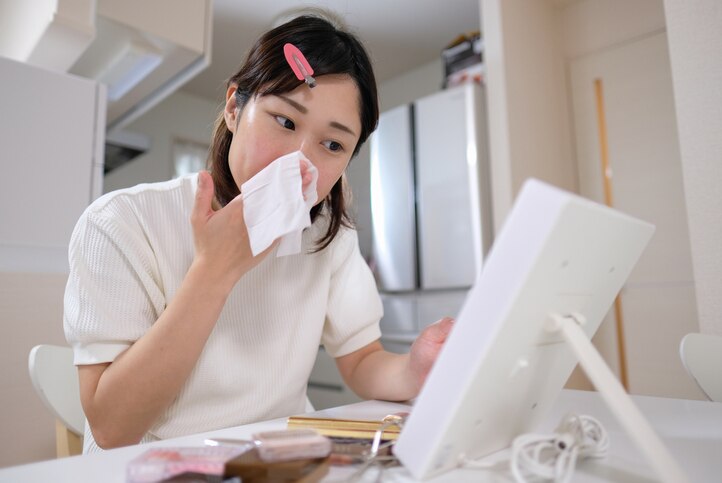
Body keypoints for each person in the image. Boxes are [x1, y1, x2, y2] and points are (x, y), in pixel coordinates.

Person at [64, 12, 454, 452]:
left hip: (279, 459)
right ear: (234, 107)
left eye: (332, 145)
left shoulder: (325, 232)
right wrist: (214, 270)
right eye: (285, 122)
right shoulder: (121, 222)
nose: (300, 162)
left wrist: (416, 369)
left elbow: (362, 360)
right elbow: (113, 428)